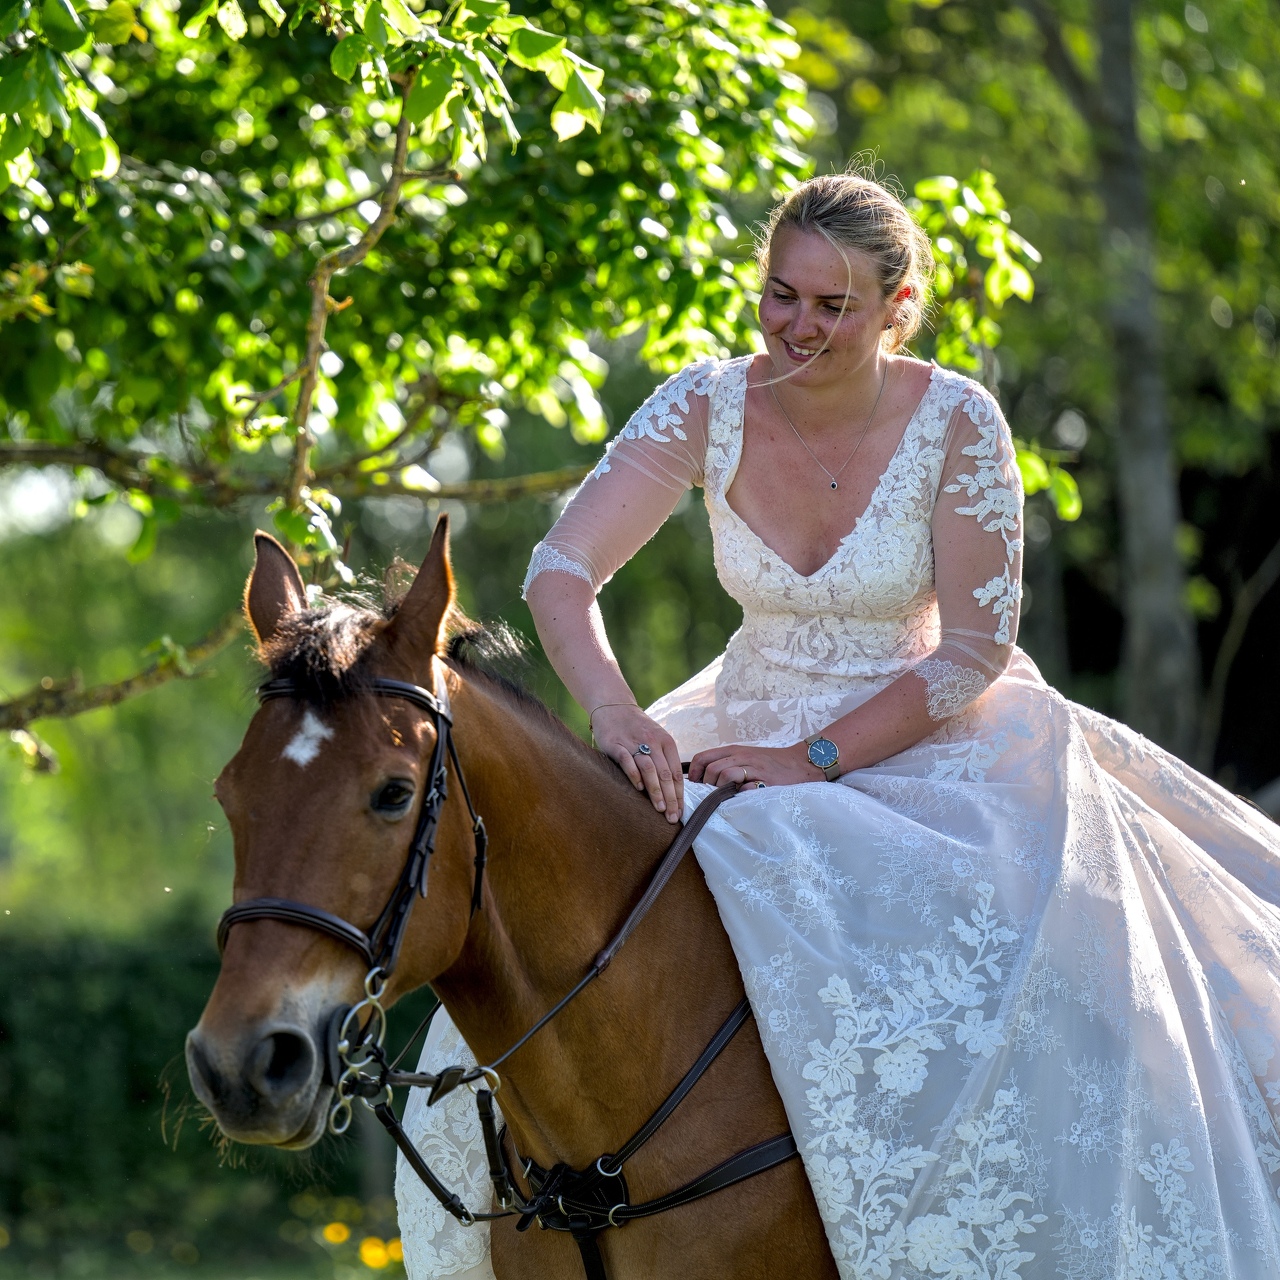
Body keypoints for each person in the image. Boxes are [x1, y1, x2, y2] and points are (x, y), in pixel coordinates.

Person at [397, 172, 1280, 1279]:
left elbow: (968, 648)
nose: (797, 327)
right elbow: (560, 568)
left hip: (934, 739)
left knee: (1021, 958)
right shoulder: (704, 403)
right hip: (734, 721)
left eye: (832, 305)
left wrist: (806, 761)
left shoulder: (957, 419)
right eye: (780, 295)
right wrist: (618, 717)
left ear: (895, 305)